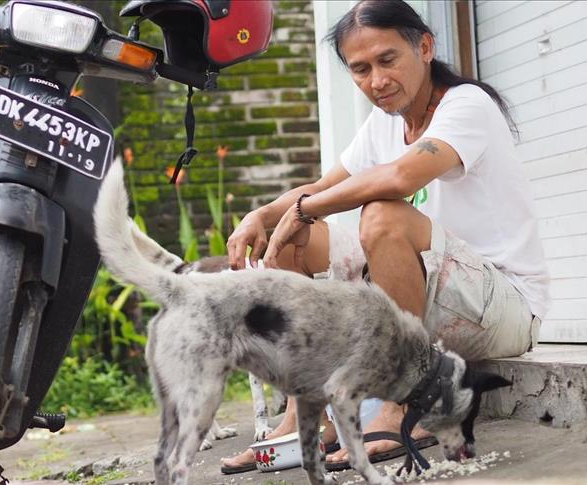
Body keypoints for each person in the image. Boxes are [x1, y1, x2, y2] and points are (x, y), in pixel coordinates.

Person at [220, 0, 549, 474]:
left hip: (504, 309)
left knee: (383, 216)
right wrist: (264, 215)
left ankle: (402, 403)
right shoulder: (384, 123)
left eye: (387, 60)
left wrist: (303, 210)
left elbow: (398, 179)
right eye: (360, 69)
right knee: (293, 241)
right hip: (436, 299)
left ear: (425, 48)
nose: (376, 81)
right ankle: (306, 412)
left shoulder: (466, 105)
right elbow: (323, 186)